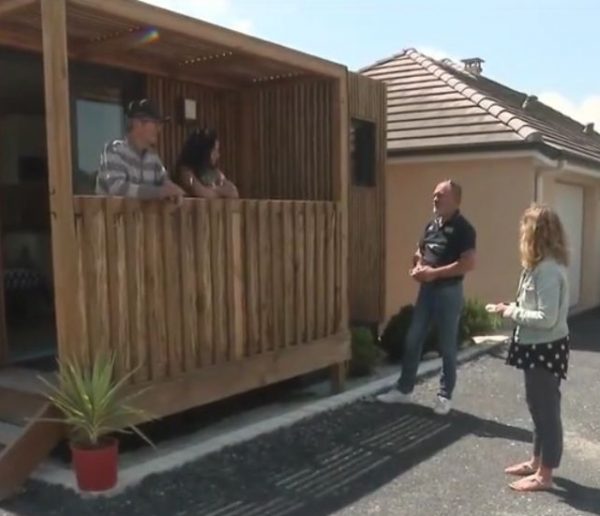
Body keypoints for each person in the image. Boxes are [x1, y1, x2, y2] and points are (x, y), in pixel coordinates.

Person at [488, 204, 570, 492]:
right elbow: (534, 309)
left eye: (525, 229)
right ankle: (537, 462)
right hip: (536, 346)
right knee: (537, 406)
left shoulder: (547, 271)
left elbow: (546, 319)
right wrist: (511, 307)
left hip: (544, 347)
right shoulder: (537, 267)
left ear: (536, 234)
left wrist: (511, 313)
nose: (521, 234)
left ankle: (545, 475)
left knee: (546, 410)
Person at [377, 179, 476, 415]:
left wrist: (434, 273)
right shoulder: (431, 226)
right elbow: (420, 251)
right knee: (413, 339)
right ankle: (403, 390)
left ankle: (444, 396)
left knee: (447, 345)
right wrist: (418, 267)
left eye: (440, 195)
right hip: (427, 291)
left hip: (449, 292)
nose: (435, 198)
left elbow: (468, 263)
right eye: (434, 195)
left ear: (455, 200)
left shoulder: (464, 229)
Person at [95, 98, 184, 203]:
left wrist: (173, 192)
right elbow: (116, 188)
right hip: (110, 218)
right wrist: (160, 192)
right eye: (156, 124)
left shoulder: (153, 158)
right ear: (138, 124)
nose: (159, 129)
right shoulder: (114, 150)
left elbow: (165, 181)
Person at [175, 128, 238, 199]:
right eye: (215, 150)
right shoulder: (185, 172)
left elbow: (233, 191)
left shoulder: (215, 173)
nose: (218, 155)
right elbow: (201, 193)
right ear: (205, 151)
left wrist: (213, 189)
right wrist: (221, 193)